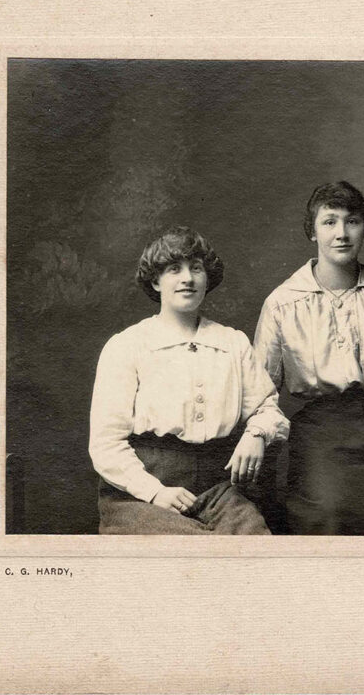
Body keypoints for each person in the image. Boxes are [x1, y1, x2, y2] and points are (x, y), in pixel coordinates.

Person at [254, 181, 364, 535]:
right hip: (323, 432)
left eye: (352, 221)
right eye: (329, 222)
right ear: (312, 231)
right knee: (329, 518)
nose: (341, 234)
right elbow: (261, 392)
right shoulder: (283, 303)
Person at [89, 227, 289, 534]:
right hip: (140, 492)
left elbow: (267, 407)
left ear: (207, 278)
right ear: (156, 281)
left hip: (219, 491)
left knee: (253, 545)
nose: (188, 278)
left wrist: (257, 435)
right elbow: (105, 443)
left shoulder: (232, 343)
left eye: (196, 268)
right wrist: (154, 491)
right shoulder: (128, 345)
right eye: (174, 269)